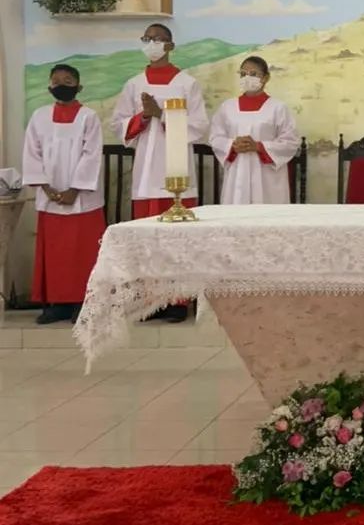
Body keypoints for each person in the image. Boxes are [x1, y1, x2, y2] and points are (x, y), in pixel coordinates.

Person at [110, 23, 208, 321]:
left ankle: (177, 301)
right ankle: (149, 300)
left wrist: (161, 114)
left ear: (170, 45)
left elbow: (199, 125)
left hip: (176, 170)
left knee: (177, 238)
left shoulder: (187, 83)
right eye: (147, 39)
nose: (152, 43)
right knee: (147, 237)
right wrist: (143, 116)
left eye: (158, 39)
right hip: (146, 170)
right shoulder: (134, 84)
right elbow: (118, 123)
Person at [21, 64, 106, 325]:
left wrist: (74, 190)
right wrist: (46, 188)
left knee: (83, 252)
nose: (61, 85)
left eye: (68, 81)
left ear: (79, 87)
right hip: (50, 197)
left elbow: (92, 155)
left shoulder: (88, 117)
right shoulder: (39, 116)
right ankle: (58, 303)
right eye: (56, 81)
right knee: (55, 253)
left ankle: (84, 303)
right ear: (49, 86)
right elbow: (32, 153)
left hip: (82, 199)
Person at [210, 56, 300, 205]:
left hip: (267, 177)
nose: (247, 78)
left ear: (266, 78)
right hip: (237, 173)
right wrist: (232, 145)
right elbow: (216, 137)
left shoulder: (278, 107)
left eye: (253, 74)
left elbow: (290, 141)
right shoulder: (227, 107)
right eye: (243, 74)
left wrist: (259, 146)